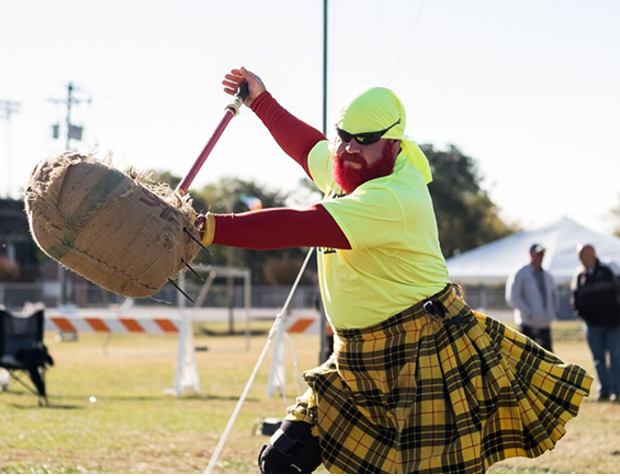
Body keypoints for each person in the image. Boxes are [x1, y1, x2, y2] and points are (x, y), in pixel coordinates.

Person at [197, 67, 592, 474]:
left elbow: (301, 225)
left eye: (364, 140)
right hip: (356, 357)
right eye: (343, 136)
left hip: (419, 352)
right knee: (281, 461)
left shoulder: (396, 197)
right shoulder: (347, 170)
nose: (348, 149)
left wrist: (208, 228)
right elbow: (308, 147)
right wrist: (260, 100)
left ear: (394, 141)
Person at [571, 244, 620, 403]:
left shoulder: (610, 267)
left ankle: (616, 392)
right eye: (580, 256)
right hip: (592, 325)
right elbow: (575, 298)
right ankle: (604, 390)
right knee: (598, 359)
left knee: (616, 358)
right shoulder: (579, 274)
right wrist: (582, 315)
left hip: (614, 323)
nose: (582, 259)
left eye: (586, 255)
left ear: (593, 254)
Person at [505, 243, 558, 351]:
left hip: (544, 325)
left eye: (542, 254)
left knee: (548, 357)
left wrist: (551, 313)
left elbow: (554, 296)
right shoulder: (521, 272)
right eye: (538, 254)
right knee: (526, 356)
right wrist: (529, 313)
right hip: (527, 325)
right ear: (530, 254)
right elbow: (513, 297)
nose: (540, 257)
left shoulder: (547, 274)